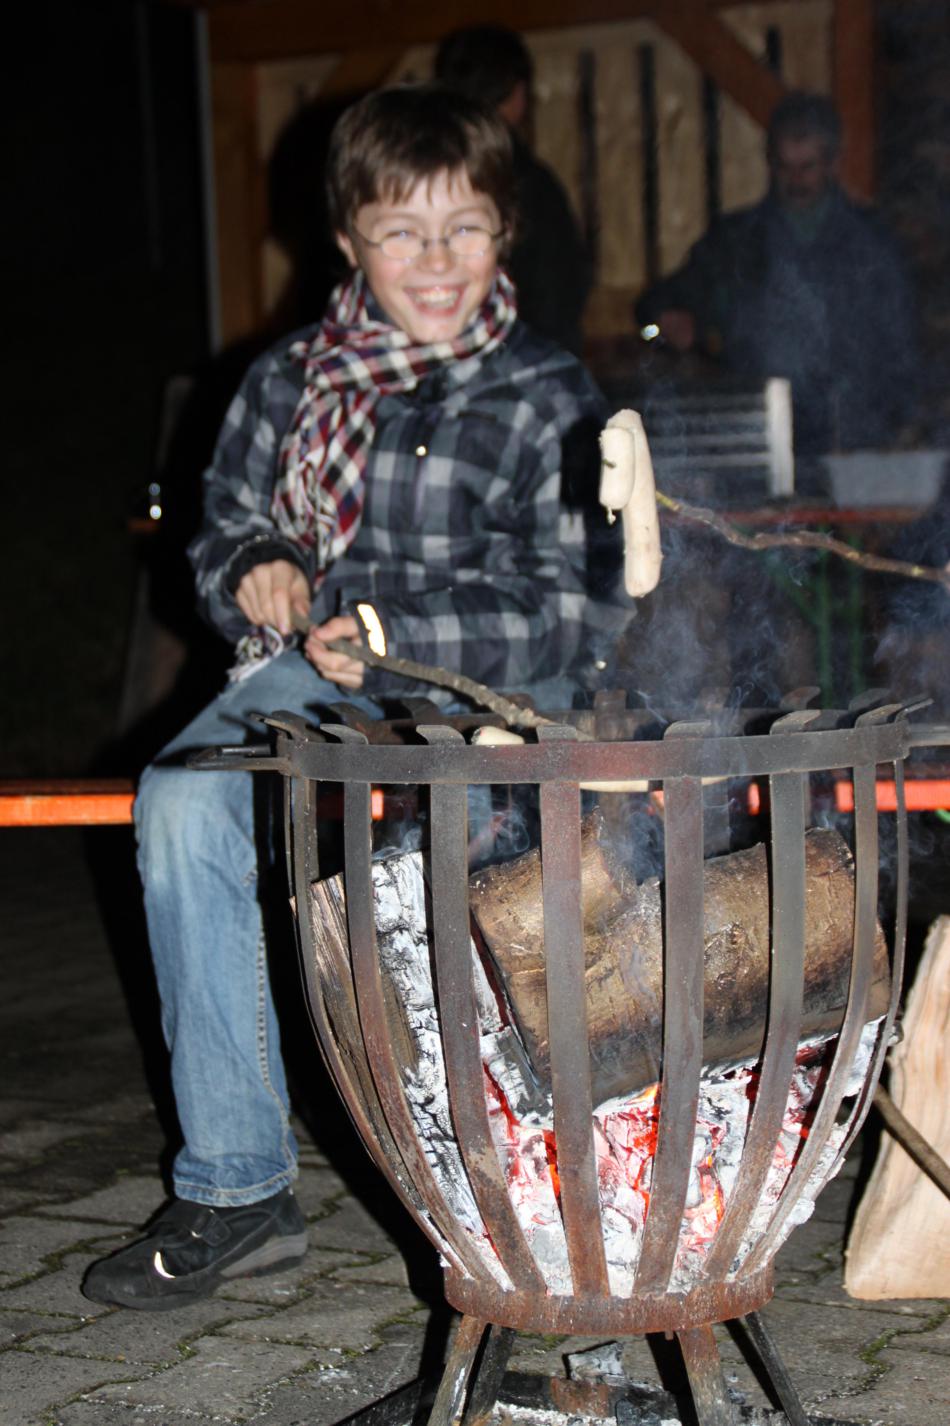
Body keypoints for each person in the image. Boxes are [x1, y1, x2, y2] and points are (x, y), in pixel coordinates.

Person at [81, 82, 623, 1311]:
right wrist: (253, 568)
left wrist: (395, 635)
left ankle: (539, 1175)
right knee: (180, 803)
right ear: (347, 240)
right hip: (313, 674)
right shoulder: (287, 380)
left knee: (477, 844)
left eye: (463, 228)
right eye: (399, 232)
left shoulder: (545, 391)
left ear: (502, 232)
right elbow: (224, 525)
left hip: (487, 683)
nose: (434, 262)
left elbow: (572, 603)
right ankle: (238, 1190)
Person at [635, 92, 920, 455]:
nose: (795, 180)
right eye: (785, 167)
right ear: (770, 163)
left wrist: (900, 426)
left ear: (833, 163)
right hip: (760, 438)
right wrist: (660, 327)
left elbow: (903, 351)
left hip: (857, 442)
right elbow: (648, 315)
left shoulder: (875, 244)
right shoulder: (735, 242)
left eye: (807, 167)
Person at [435, 25, 592, 357]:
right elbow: (560, 295)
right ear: (518, 93)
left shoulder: (424, 179)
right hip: (525, 366)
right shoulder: (532, 185)